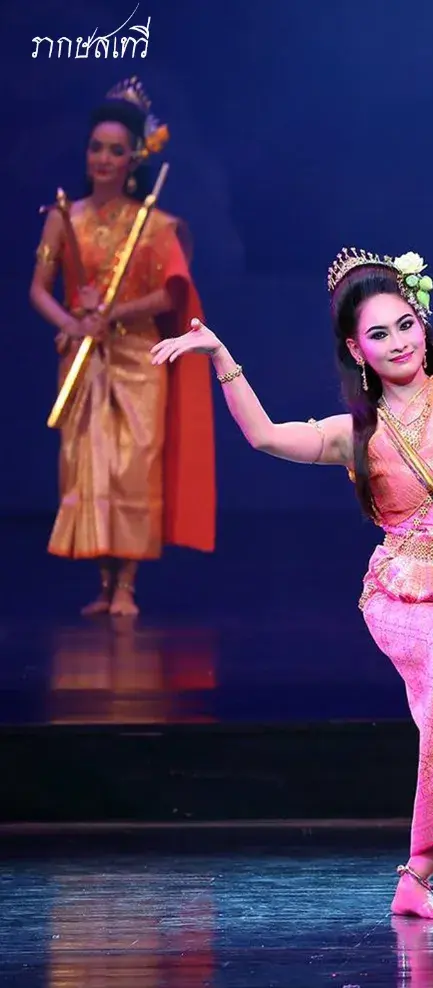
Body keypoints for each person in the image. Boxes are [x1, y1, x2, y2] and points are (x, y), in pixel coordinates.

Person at [150, 247, 433, 924]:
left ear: (424, 324)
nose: (398, 342)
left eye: (405, 324)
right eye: (378, 334)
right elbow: (266, 437)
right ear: (357, 351)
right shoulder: (359, 432)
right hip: (404, 596)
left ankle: (421, 876)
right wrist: (220, 357)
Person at [29, 76, 217, 617]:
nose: (103, 159)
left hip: (139, 359)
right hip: (83, 362)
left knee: (132, 466)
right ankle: (103, 583)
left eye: (115, 150)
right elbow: (38, 290)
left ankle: (128, 585)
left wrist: (115, 313)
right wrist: (74, 321)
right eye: (96, 148)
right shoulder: (65, 219)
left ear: (133, 158)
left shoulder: (153, 224)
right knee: (88, 465)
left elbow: (169, 293)